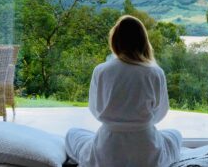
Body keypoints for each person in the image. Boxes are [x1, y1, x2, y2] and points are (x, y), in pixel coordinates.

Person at [65, 15, 182, 167]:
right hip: (146, 150)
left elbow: (95, 110)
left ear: (115, 42)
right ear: (143, 42)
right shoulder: (155, 72)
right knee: (175, 135)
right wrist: (140, 123)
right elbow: (160, 113)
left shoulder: (101, 71)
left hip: (107, 149)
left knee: (72, 134)